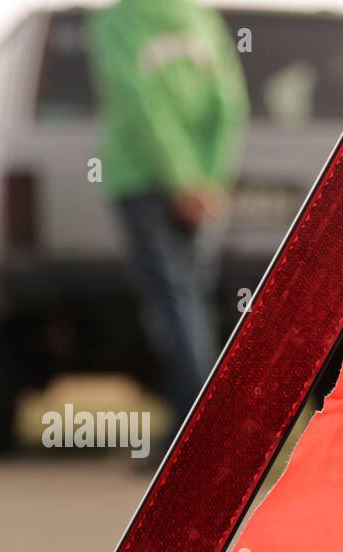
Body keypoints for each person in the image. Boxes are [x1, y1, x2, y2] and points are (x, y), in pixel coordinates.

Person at [89, 0, 249, 447]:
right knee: (192, 303)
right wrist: (209, 180)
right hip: (202, 191)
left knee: (174, 308)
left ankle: (193, 432)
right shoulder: (201, 19)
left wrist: (183, 181)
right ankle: (204, 425)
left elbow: (139, 105)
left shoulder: (115, 22)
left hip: (145, 183)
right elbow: (229, 103)